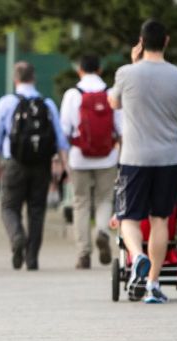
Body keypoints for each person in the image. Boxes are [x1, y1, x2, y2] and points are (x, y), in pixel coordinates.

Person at [108, 19, 177, 303]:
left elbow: (114, 103)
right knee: (161, 220)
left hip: (133, 158)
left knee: (128, 218)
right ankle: (153, 284)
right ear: (167, 41)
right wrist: (173, 140)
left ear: (141, 42)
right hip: (168, 158)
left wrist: (133, 63)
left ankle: (137, 256)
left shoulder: (126, 73)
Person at [0, 61, 69, 270]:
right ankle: (32, 258)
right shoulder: (47, 104)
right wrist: (64, 167)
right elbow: (60, 139)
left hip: (14, 162)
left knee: (9, 206)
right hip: (41, 164)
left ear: (15, 79)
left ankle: (17, 236)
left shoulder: (7, 102)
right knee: (37, 210)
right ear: (34, 78)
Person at [60, 55, 121, 269]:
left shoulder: (72, 95)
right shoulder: (112, 93)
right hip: (107, 157)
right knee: (105, 199)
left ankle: (83, 254)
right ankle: (102, 231)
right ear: (100, 70)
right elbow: (120, 129)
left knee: (81, 203)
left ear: (80, 71)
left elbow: (64, 130)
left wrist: (63, 159)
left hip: (79, 157)